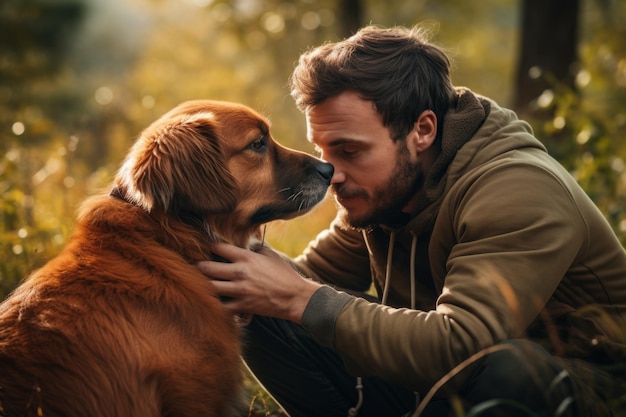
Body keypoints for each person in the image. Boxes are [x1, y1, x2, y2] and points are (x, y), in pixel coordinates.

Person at [198, 25, 626, 417]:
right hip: (435, 387)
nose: (332, 175)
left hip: (584, 388)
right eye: (323, 150)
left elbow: (461, 347)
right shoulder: (382, 192)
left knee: (512, 371)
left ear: (422, 130)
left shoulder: (517, 190)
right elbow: (303, 278)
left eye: (349, 151)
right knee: (257, 298)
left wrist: (300, 299)